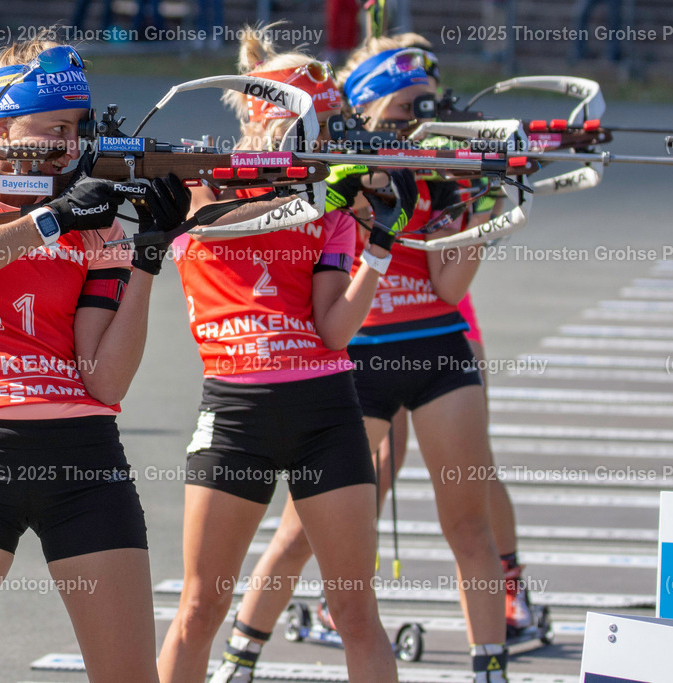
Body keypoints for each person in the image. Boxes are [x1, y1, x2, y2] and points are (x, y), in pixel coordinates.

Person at [0, 35, 190, 683]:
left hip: (87, 459)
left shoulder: (94, 217)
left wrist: (149, 256)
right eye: (52, 130)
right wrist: (51, 220)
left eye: (78, 129)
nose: (70, 147)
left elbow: (103, 378)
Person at [210, 34, 517, 683]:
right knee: (298, 534)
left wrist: (486, 210)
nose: (416, 122)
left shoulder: (432, 166)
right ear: (367, 108)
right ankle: (238, 659)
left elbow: (448, 286)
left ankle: (491, 666)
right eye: (404, 110)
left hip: (435, 343)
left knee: (467, 519)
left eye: (423, 108)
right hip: (357, 354)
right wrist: (350, 184)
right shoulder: (324, 162)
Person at [157, 25, 412, 683]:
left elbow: (333, 329)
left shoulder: (326, 201)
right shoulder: (201, 181)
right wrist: (300, 196)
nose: (325, 141)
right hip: (234, 412)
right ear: (270, 115)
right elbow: (201, 226)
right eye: (315, 124)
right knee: (199, 607)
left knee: (356, 609)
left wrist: (377, 245)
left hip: (325, 409)